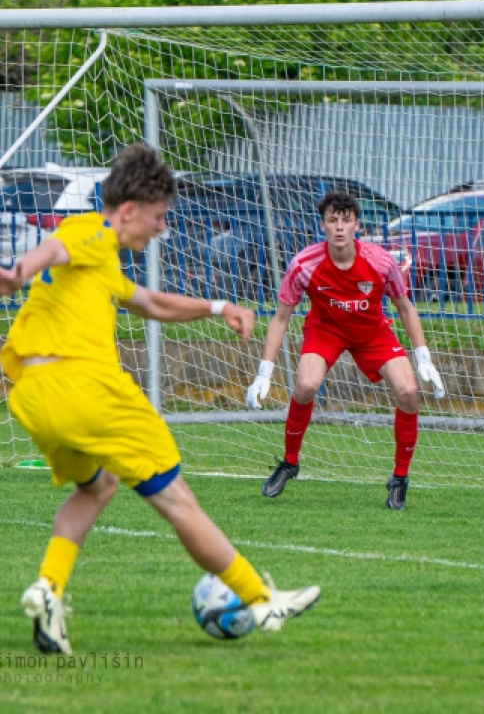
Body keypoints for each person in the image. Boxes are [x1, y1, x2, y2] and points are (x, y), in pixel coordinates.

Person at [0, 144, 320, 656]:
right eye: (158, 217)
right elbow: (52, 250)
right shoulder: (90, 233)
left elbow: (146, 301)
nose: (162, 229)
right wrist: (16, 272)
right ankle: (261, 599)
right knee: (177, 500)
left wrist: (217, 306)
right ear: (127, 212)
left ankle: (49, 590)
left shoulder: (100, 261)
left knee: (96, 486)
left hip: (35, 398)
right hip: (90, 390)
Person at [246, 189, 446, 510]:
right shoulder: (303, 265)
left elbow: (405, 307)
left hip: (372, 333)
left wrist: (424, 359)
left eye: (346, 220)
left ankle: (399, 478)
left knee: (409, 392)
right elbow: (280, 318)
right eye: (332, 220)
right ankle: (290, 461)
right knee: (306, 386)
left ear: (357, 226)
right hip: (326, 330)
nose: (339, 226)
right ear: (322, 226)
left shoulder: (380, 262)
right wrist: (264, 374)